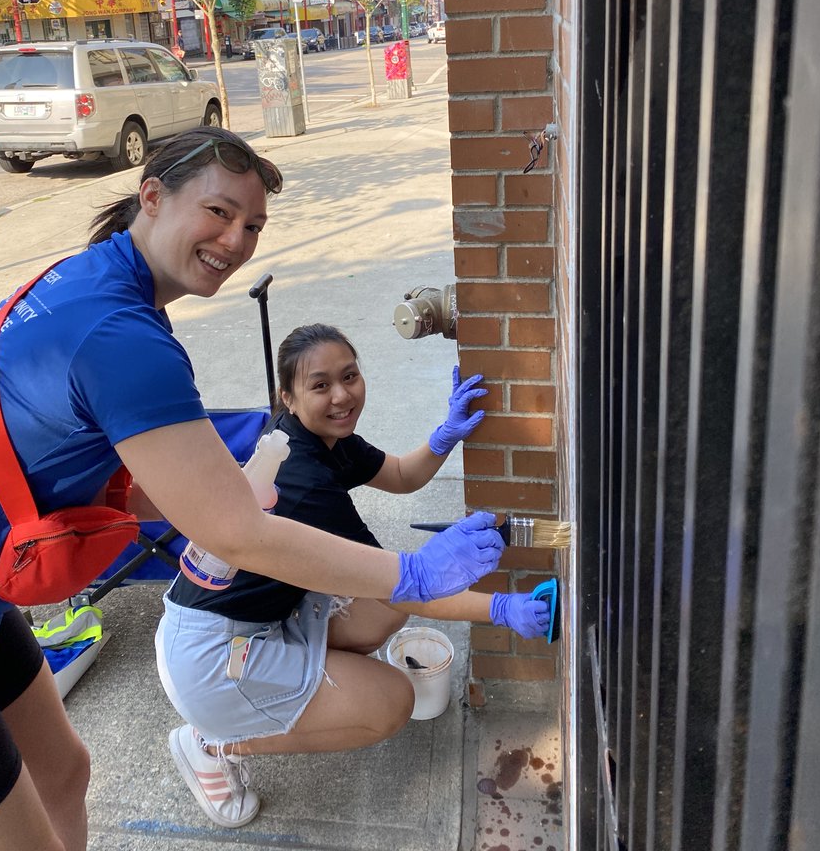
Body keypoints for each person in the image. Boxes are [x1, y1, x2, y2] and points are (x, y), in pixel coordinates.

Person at [0, 127, 504, 851]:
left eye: (254, 226)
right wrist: (413, 571)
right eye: (219, 212)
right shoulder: (122, 334)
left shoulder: (94, 283)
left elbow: (111, 464)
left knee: (64, 774)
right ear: (152, 197)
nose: (236, 240)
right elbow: (241, 535)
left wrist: (210, 493)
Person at [156, 323, 551, 829]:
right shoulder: (303, 484)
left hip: (242, 622)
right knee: (391, 703)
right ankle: (211, 741)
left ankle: (303, 683)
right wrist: (502, 609)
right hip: (210, 660)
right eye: (320, 385)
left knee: (382, 607)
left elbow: (404, 476)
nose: (342, 395)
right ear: (288, 396)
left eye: (350, 375)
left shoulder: (314, 437)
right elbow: (408, 583)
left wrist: (443, 434)